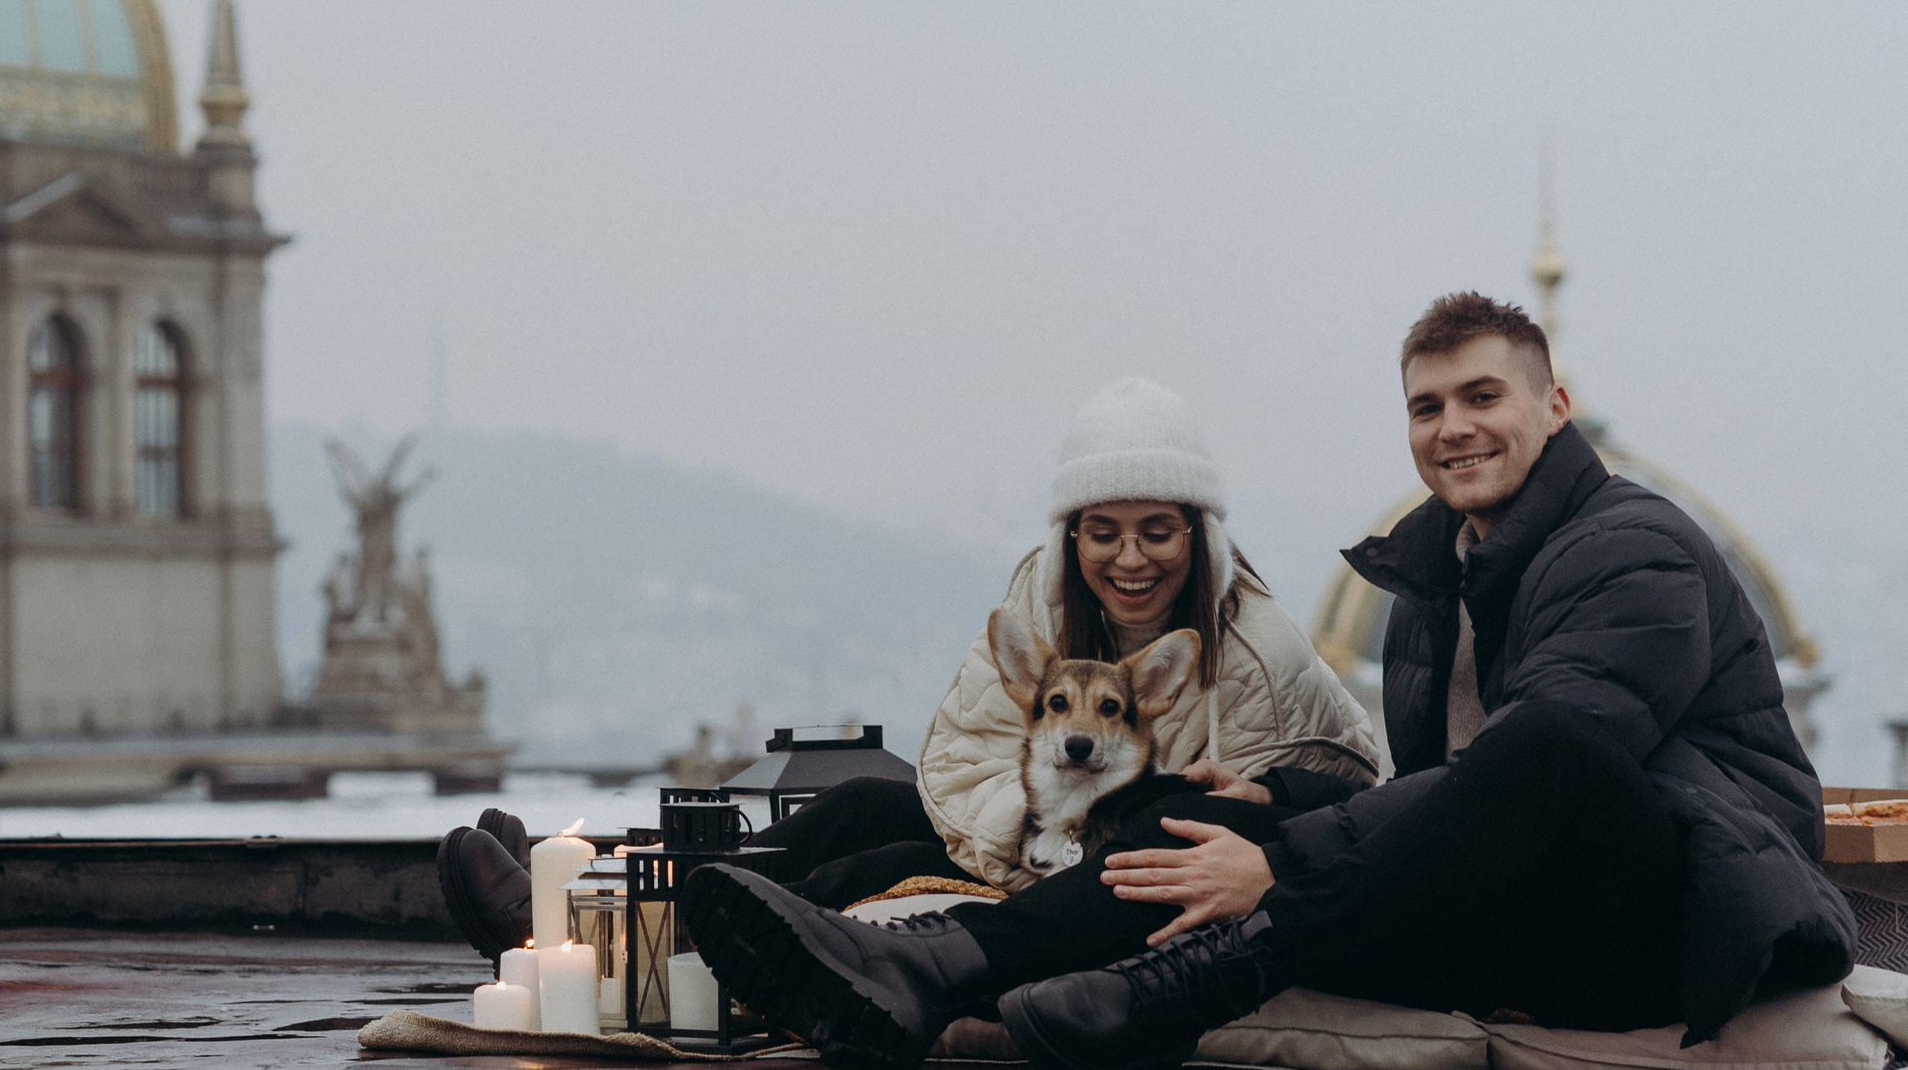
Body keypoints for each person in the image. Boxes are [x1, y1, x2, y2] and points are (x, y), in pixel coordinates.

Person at [685, 293, 1856, 1070]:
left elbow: (1546, 768)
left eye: (1482, 396)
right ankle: (927, 970)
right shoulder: (1431, 580)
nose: (1453, 428)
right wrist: (1271, 807)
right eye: (1426, 406)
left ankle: (1196, 976)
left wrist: (1285, 867)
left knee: (1539, 751)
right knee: (1200, 814)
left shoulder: (1632, 546)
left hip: (1664, 923)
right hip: (1511, 915)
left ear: (1554, 406)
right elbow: (1438, 799)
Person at [434, 378, 1382, 962]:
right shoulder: (1041, 597)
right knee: (850, 807)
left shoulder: (1251, 652)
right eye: (1104, 532)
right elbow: (967, 755)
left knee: (880, 861)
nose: (1130, 559)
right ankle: (597, 903)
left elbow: (1285, 797)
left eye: (1157, 531)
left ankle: (624, 942)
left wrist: (1237, 797)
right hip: (1033, 837)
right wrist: (1029, 830)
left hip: (1104, 872)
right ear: (1073, 535)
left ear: (1199, 534)